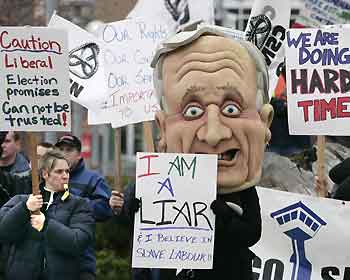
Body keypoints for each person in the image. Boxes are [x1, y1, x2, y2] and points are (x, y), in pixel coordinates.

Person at [110, 23, 274, 280]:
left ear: (265, 123)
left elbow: (251, 233)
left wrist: (222, 217)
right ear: (162, 130)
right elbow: (133, 230)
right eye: (192, 112)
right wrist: (126, 208)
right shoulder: (155, 183)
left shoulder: (243, 192)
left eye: (231, 109)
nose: (213, 134)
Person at [0, 150, 95, 280]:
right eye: (59, 171)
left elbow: (78, 241)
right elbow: (4, 232)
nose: (65, 176)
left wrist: (46, 225)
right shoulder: (20, 200)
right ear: (45, 174)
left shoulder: (79, 205)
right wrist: (24, 209)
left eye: (67, 171)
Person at [55, 134, 113, 280]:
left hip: (81, 262)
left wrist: (75, 205)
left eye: (69, 150)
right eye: (60, 150)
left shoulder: (93, 179)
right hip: (52, 262)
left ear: (79, 155)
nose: (63, 154)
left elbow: (105, 209)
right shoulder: (48, 178)